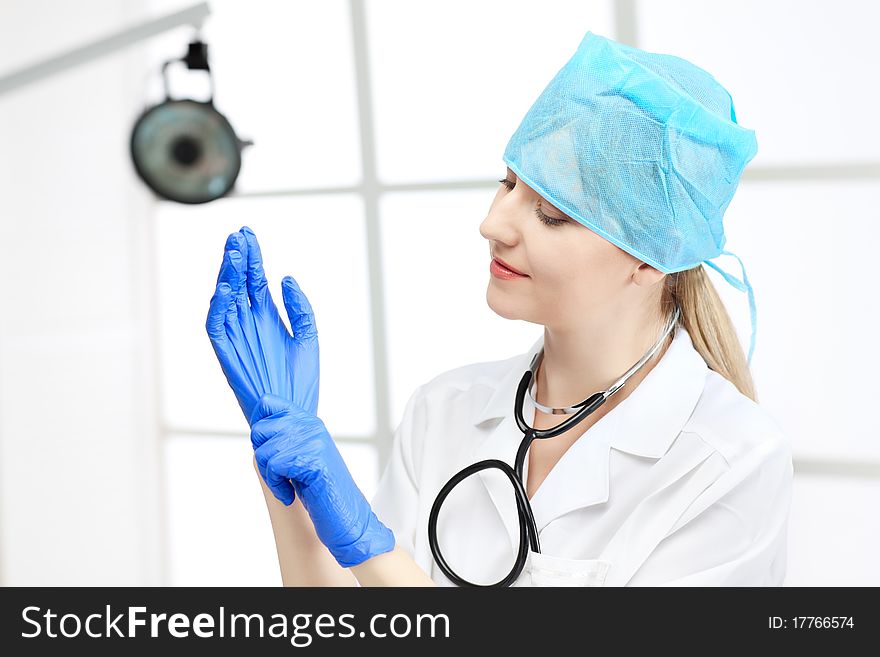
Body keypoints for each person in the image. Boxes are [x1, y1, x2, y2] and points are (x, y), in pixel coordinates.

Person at [205, 32, 793, 586]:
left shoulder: (728, 460)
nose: (493, 224)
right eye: (508, 184)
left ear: (651, 257)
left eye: (553, 213)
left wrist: (371, 545)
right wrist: (293, 485)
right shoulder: (444, 411)